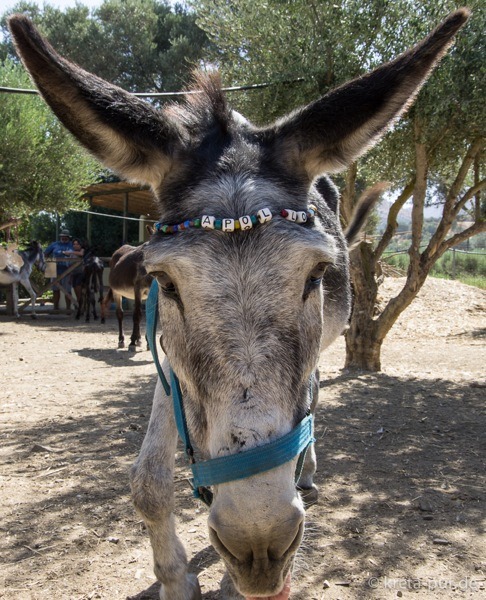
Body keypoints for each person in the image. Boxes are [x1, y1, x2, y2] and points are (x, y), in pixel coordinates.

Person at [44, 229, 74, 312]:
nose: (64, 238)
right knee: (55, 290)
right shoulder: (54, 244)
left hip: (67, 270)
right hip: (54, 269)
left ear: (68, 237)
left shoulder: (71, 245)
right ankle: (55, 308)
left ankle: (68, 308)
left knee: (67, 290)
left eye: (66, 237)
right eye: (62, 236)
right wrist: (47, 264)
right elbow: (45, 253)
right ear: (60, 236)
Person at [64, 238, 87, 307]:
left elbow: (81, 253)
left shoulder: (81, 250)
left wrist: (70, 252)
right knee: (76, 291)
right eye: (74, 244)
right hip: (73, 274)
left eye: (77, 244)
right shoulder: (72, 253)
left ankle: (81, 305)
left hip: (81, 274)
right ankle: (79, 305)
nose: (75, 246)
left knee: (79, 291)